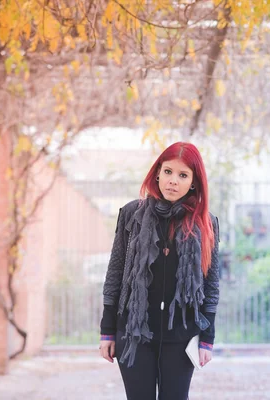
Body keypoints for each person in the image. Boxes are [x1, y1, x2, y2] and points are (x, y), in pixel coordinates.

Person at [99, 141, 220, 400]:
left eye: (183, 175)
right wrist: (107, 331)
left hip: (181, 335)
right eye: (168, 172)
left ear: (194, 183)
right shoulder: (132, 214)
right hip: (133, 333)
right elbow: (115, 273)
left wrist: (207, 338)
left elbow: (210, 284)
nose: (173, 181)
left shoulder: (206, 224)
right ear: (157, 173)